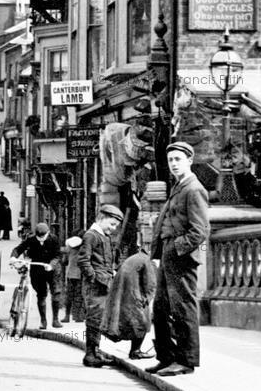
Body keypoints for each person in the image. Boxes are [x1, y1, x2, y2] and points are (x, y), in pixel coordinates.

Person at [147, 141, 209, 377]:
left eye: (178, 160)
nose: (173, 164)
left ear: (189, 161)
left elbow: (200, 230)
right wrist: (157, 254)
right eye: (170, 160)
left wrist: (175, 248)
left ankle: (186, 360)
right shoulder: (179, 187)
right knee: (161, 308)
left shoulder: (193, 189)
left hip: (180, 257)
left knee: (183, 308)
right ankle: (166, 357)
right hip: (168, 255)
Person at [78, 204, 123, 367]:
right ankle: (90, 355)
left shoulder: (103, 236)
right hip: (95, 286)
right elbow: (83, 260)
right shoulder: (91, 235)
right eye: (111, 224)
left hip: (104, 284)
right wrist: (94, 278)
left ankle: (95, 352)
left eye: (116, 226)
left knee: (99, 319)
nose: (113, 228)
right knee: (94, 318)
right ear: (101, 219)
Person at [101, 232, 156, 360]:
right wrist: (147, 300)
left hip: (124, 296)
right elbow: (151, 284)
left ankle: (134, 350)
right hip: (134, 296)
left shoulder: (135, 257)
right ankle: (135, 351)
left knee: (132, 323)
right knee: (143, 323)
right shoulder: (147, 260)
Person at [10, 222, 62, 329]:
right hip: (37, 269)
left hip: (52, 269)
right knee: (41, 294)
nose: (41, 239)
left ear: (48, 233)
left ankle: (55, 320)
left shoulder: (54, 239)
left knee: (56, 292)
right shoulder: (31, 239)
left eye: (43, 237)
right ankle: (43, 321)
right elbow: (18, 249)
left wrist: (51, 265)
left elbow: (57, 255)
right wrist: (13, 257)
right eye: (39, 237)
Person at [61, 231, 85, 323]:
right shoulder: (84, 249)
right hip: (80, 275)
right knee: (79, 295)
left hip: (70, 274)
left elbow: (64, 261)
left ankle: (67, 316)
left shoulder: (69, 248)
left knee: (69, 295)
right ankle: (78, 316)